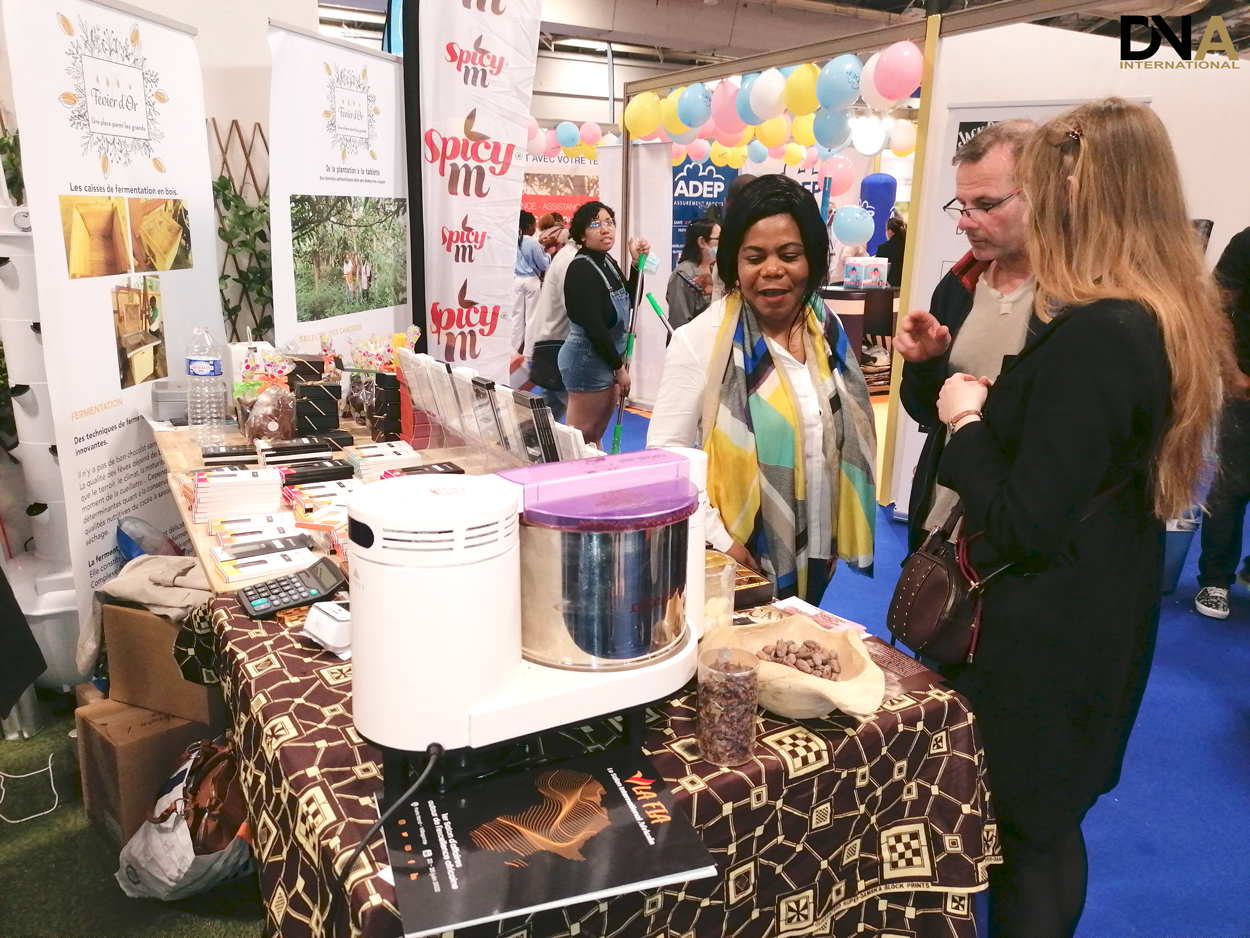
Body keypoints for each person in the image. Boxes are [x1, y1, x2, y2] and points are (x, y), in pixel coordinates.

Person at [933, 98, 1233, 937]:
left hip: (1047, 638)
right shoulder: (1154, 316)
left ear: (1082, 195)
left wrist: (968, 423)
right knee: (1044, 831)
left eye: (1036, 190)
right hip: (1099, 614)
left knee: (1031, 839)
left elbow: (1023, 523)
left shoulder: (1105, 331)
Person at [647, 174, 877, 602]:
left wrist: (827, 531)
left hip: (816, 550)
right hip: (736, 560)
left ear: (811, 258)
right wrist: (722, 542)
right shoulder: (701, 341)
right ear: (735, 262)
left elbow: (836, 439)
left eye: (790, 254)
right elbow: (666, 461)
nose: (773, 270)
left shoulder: (826, 331)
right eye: (755, 257)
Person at [896, 120, 1039, 552]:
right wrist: (925, 365)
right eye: (961, 205)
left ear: (1041, 192)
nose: (966, 222)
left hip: (1019, 532)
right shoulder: (958, 286)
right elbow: (924, 410)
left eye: (985, 204)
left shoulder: (1075, 305)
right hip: (941, 519)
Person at [559, 201, 648, 447]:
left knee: (595, 433)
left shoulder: (606, 260)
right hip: (588, 359)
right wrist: (619, 368)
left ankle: (594, 481)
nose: (605, 229)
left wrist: (636, 264)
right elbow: (593, 326)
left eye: (609, 222)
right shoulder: (581, 268)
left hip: (606, 357)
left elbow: (631, 301)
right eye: (595, 224)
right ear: (581, 235)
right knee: (580, 435)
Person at [1195, 224, 1250, 618]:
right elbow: (1214, 308)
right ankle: (1215, 580)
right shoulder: (1247, 242)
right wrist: (1230, 373)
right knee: (1233, 481)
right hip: (1247, 383)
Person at [526, 237, 579, 421]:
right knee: (582, 415)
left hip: (553, 340)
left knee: (548, 410)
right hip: (559, 344)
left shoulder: (567, 256)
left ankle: (525, 443)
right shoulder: (570, 259)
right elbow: (574, 307)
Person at [512, 210, 550, 385]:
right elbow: (543, 264)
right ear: (529, 226)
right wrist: (548, 254)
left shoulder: (513, 241)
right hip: (532, 281)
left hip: (516, 280)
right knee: (532, 319)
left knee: (516, 318)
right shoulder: (532, 243)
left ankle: (512, 352)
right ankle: (527, 354)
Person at [666, 218, 720, 329]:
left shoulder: (718, 269)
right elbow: (679, 322)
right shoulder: (684, 274)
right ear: (701, 242)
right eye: (719, 239)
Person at [874, 215, 906, 287]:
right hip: (905, 284)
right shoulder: (908, 246)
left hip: (889, 286)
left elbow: (878, 269)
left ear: (890, 232)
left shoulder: (883, 248)